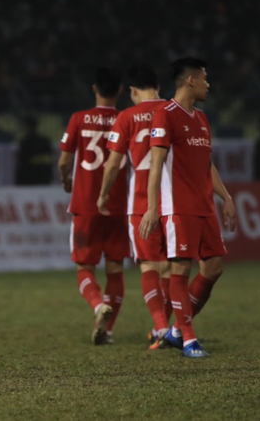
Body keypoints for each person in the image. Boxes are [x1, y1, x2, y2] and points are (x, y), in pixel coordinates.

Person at [139, 57, 238, 358]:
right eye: (205, 78)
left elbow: (206, 164)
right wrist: (153, 207)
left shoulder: (202, 119)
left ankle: (177, 330)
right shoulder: (165, 115)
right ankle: (189, 340)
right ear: (191, 80)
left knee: (213, 268)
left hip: (204, 206)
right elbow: (155, 166)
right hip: (178, 207)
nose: (209, 84)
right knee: (180, 268)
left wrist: (226, 197)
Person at [97, 64, 172, 349]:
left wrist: (103, 194)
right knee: (170, 268)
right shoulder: (173, 111)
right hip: (173, 201)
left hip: (141, 201)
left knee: (148, 266)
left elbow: (114, 162)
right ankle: (163, 327)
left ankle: (162, 328)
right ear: (159, 87)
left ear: (131, 91)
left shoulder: (127, 116)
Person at [57, 67, 129, 345]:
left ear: (94, 88)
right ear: (120, 90)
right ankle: (108, 331)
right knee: (115, 268)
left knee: (84, 267)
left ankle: (99, 305)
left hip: (86, 205)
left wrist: (66, 180)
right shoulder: (126, 119)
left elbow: (64, 161)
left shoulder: (79, 119)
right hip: (119, 204)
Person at [15, 114, 55, 185]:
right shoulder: (44, 141)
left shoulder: (26, 143)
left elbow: (22, 164)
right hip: (42, 178)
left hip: (31, 178)